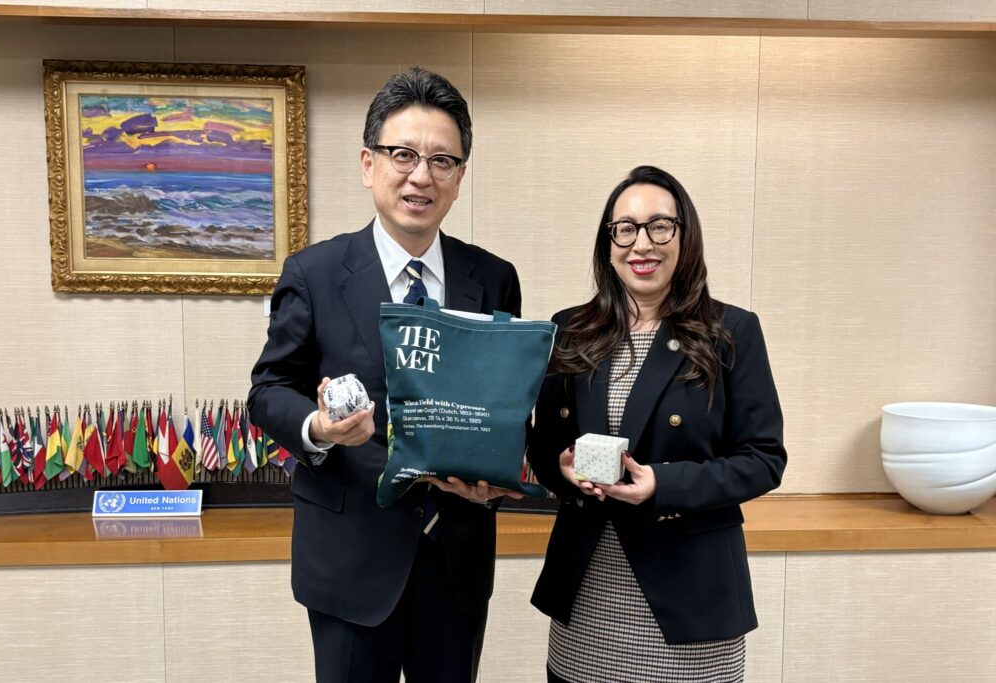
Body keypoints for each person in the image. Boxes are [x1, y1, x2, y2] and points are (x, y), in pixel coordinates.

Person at [248, 67, 523, 683]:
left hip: (456, 559)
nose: (421, 175)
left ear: (458, 177)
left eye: (442, 160)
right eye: (403, 155)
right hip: (351, 563)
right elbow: (267, 392)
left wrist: (494, 475)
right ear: (369, 163)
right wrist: (318, 427)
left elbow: (503, 405)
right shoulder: (314, 273)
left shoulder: (494, 279)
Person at [527, 165, 786, 683]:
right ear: (608, 242)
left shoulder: (729, 332)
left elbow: (764, 459)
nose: (641, 243)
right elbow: (544, 444)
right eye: (625, 228)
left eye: (659, 226)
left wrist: (661, 485)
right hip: (588, 604)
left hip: (690, 605)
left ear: (684, 235)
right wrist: (558, 467)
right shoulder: (569, 330)